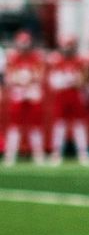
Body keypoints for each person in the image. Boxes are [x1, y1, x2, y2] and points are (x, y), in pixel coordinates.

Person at [3, 32, 48, 165]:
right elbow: (9, 76)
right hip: (19, 91)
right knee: (15, 125)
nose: (24, 46)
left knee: (35, 125)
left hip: (32, 91)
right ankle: (10, 154)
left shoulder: (36, 57)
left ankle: (38, 154)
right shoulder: (13, 57)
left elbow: (40, 74)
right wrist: (21, 79)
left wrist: (29, 79)